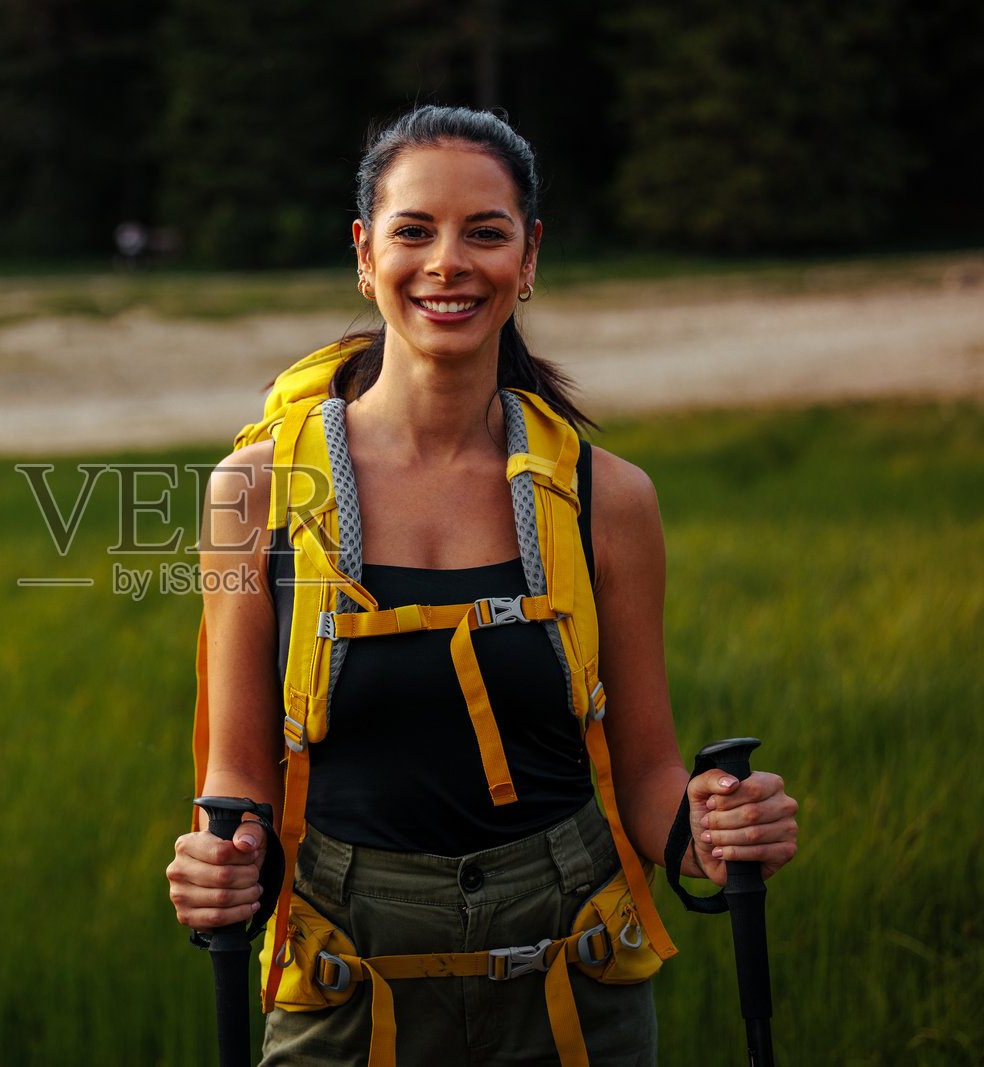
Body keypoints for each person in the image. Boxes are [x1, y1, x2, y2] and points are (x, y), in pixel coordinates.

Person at [166, 105, 799, 1065]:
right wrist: (223, 865)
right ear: (365, 252)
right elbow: (239, 776)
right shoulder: (250, 492)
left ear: (529, 254)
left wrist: (710, 831)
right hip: (345, 983)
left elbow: (647, 773)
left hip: (576, 982)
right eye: (414, 230)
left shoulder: (606, 497)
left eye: (486, 232)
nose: (448, 263)